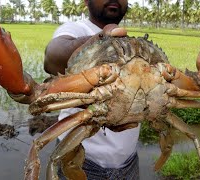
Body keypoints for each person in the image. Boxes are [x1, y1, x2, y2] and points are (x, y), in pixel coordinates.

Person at [43, 0, 140, 179]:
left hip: (130, 162)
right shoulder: (74, 30)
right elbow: (53, 58)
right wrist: (100, 41)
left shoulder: (132, 43)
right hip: (81, 162)